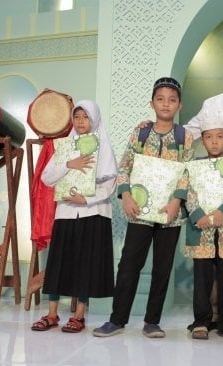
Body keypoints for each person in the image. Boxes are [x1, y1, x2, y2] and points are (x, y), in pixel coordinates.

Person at [93, 77, 194, 338]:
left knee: (162, 268)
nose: (166, 104)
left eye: (172, 100)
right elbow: (125, 166)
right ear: (152, 103)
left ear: (179, 105)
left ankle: (152, 322)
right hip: (139, 211)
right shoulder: (141, 132)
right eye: (160, 99)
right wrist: (125, 196)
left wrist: (175, 202)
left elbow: (187, 173)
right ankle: (117, 320)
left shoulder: (186, 137)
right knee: (129, 265)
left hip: (170, 214)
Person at [31, 100, 117, 333]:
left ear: (95, 120)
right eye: (77, 117)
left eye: (85, 117)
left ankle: (79, 316)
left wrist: (86, 199)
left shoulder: (104, 147)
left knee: (85, 265)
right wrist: (70, 164)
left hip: (93, 212)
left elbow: (110, 184)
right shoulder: (66, 146)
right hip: (66, 213)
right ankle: (51, 314)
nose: (80, 122)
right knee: (58, 262)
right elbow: (47, 178)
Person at [184, 115, 223, 341]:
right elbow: (187, 190)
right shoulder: (194, 166)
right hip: (200, 230)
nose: (214, 142)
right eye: (209, 137)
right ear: (202, 140)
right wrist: (197, 214)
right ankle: (201, 321)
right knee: (202, 279)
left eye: (220, 137)